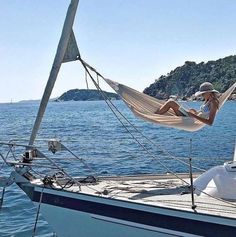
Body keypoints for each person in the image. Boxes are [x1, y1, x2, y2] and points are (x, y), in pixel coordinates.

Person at [155, 82, 219, 126]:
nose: (202, 95)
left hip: (191, 121)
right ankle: (157, 113)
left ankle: (154, 115)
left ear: (209, 92)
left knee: (171, 102)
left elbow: (210, 122)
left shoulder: (214, 103)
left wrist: (193, 115)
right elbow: (203, 113)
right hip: (191, 117)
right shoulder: (208, 100)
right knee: (171, 101)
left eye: (203, 93)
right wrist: (195, 112)